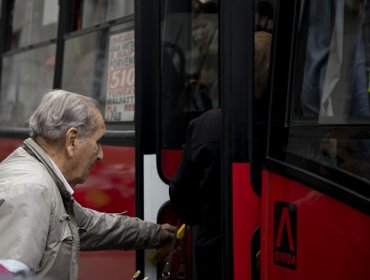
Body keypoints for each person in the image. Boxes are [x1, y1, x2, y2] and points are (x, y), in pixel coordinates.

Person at [0, 90, 176, 280]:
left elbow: (90, 226)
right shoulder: (33, 190)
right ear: (71, 140)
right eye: (98, 141)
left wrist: (154, 233)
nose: (101, 154)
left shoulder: (43, 182)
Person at [169, 31, 272, 280]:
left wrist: (202, 218)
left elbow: (181, 196)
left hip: (213, 256)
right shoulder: (286, 130)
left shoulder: (206, 125)